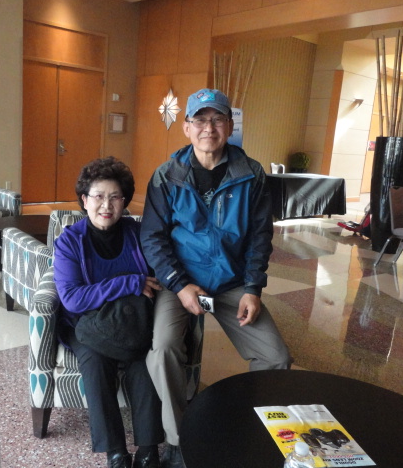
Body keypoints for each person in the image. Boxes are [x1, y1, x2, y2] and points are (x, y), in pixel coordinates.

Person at [140, 89, 292, 468]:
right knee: (163, 350)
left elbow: (259, 237)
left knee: (276, 357)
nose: (209, 128)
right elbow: (153, 238)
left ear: (229, 125)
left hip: (231, 282)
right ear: (187, 127)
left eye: (217, 119)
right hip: (180, 282)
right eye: (200, 120)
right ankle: (178, 439)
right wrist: (179, 285)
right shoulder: (167, 175)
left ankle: (249, 425)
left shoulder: (251, 174)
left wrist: (253, 289)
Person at [53, 157, 163, 468]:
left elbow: (157, 279)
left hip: (132, 321)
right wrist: (130, 282)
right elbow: (73, 299)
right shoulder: (70, 242)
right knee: (95, 362)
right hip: (86, 325)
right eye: (98, 196)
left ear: (124, 201)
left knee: (144, 364)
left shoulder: (137, 234)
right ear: (84, 200)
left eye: (115, 197)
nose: (106, 205)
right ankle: (115, 452)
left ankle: (148, 450)